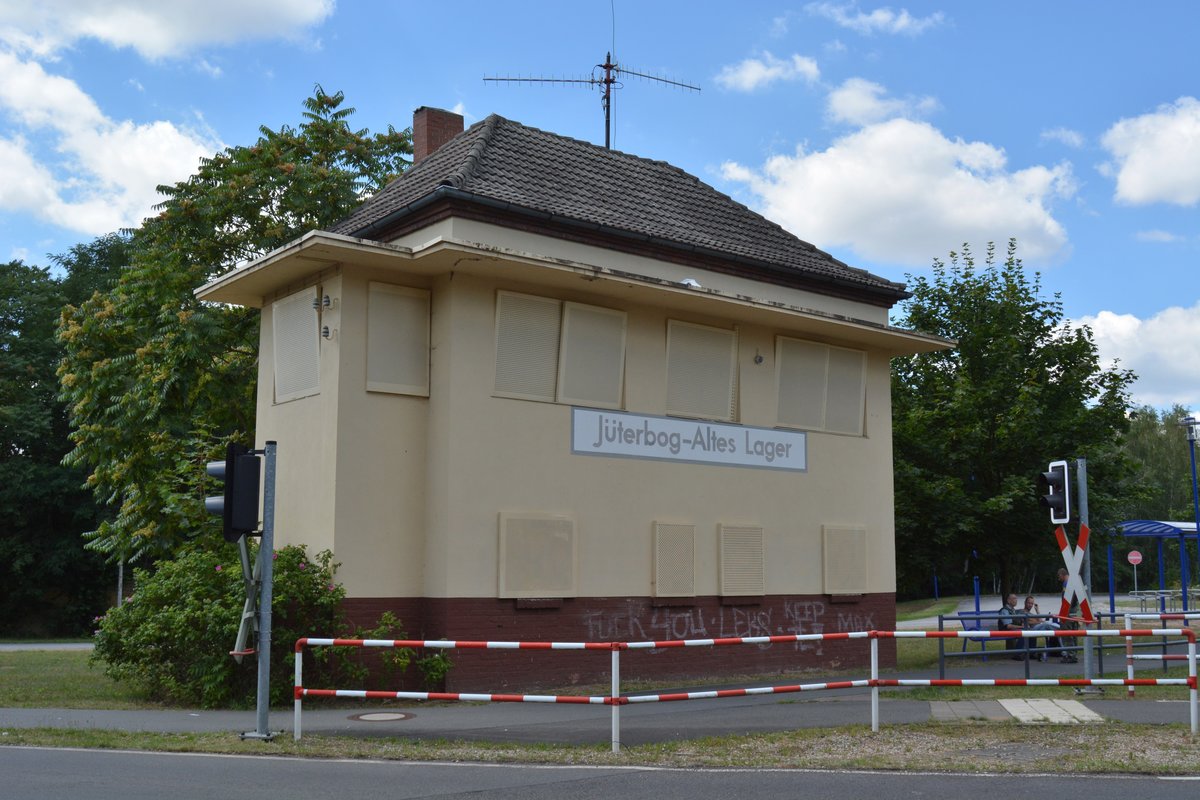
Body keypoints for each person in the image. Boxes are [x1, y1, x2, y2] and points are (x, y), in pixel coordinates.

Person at [1021, 595, 1060, 661]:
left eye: (1031, 603)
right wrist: (1037, 622)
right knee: (1047, 624)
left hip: (1039, 627)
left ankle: (1060, 633)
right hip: (1032, 629)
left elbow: (1040, 621)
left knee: (1049, 624)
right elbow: (1026, 622)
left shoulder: (1031, 614)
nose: (1030, 605)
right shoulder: (1022, 612)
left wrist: (1037, 611)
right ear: (1025, 603)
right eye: (1029, 603)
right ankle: (1062, 629)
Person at [1057, 567, 1080, 663]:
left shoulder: (1067, 584)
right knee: (1074, 634)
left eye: (1059, 576)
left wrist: (1064, 612)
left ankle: (1070, 655)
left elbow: (1068, 600)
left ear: (1062, 575)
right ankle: (1073, 654)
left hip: (1068, 612)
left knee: (1067, 634)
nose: (1059, 579)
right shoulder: (1074, 582)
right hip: (1074, 612)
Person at [997, 593, 1027, 660]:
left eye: (1016, 598)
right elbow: (1008, 626)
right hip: (1005, 631)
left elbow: (1015, 621)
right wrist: (1022, 627)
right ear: (1008, 600)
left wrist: (1021, 623)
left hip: (1011, 630)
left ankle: (1031, 653)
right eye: (1014, 598)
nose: (1016, 600)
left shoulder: (1012, 610)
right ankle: (1017, 654)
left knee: (1030, 632)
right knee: (1024, 633)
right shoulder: (1004, 610)